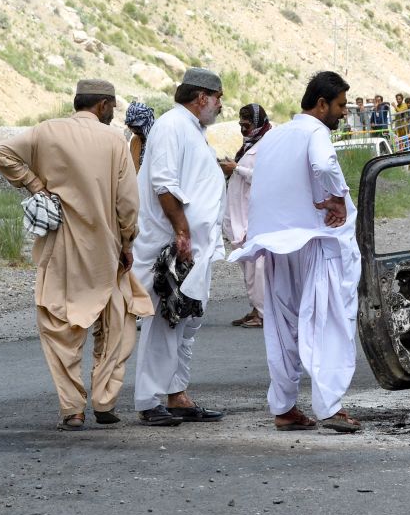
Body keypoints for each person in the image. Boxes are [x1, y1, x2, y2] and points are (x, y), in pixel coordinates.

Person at [0, 79, 151, 430]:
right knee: (116, 323)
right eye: (113, 106)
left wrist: (35, 185)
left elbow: (2, 153)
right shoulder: (114, 141)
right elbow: (127, 202)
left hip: (59, 248)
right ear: (104, 105)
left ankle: (72, 409)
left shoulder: (46, 131)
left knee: (59, 325)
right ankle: (105, 402)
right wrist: (127, 244)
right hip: (106, 249)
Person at [229, 71, 363, 434]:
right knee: (327, 321)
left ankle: (285, 408)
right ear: (321, 104)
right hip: (314, 242)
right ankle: (330, 407)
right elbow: (322, 165)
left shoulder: (274, 138)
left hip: (276, 244)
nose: (342, 113)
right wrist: (336, 196)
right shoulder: (314, 132)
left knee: (282, 326)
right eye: (340, 106)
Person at [133, 68, 227, 426]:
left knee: (189, 319)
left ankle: (177, 394)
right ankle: (148, 398)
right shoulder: (173, 126)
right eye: (218, 98)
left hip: (194, 248)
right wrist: (183, 232)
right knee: (166, 319)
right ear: (201, 97)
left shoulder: (192, 130)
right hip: (172, 246)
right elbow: (163, 184)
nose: (220, 106)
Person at [221, 103, 271, 329]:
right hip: (240, 215)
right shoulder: (250, 145)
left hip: (254, 216)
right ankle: (256, 307)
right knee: (248, 266)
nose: (243, 129)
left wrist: (236, 169)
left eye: (247, 125)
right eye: (240, 125)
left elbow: (266, 177)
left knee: (256, 268)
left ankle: (263, 313)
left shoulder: (268, 145)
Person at [125, 102, 155, 173]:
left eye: (138, 129)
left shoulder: (158, 139)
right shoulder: (135, 140)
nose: (134, 131)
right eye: (132, 128)